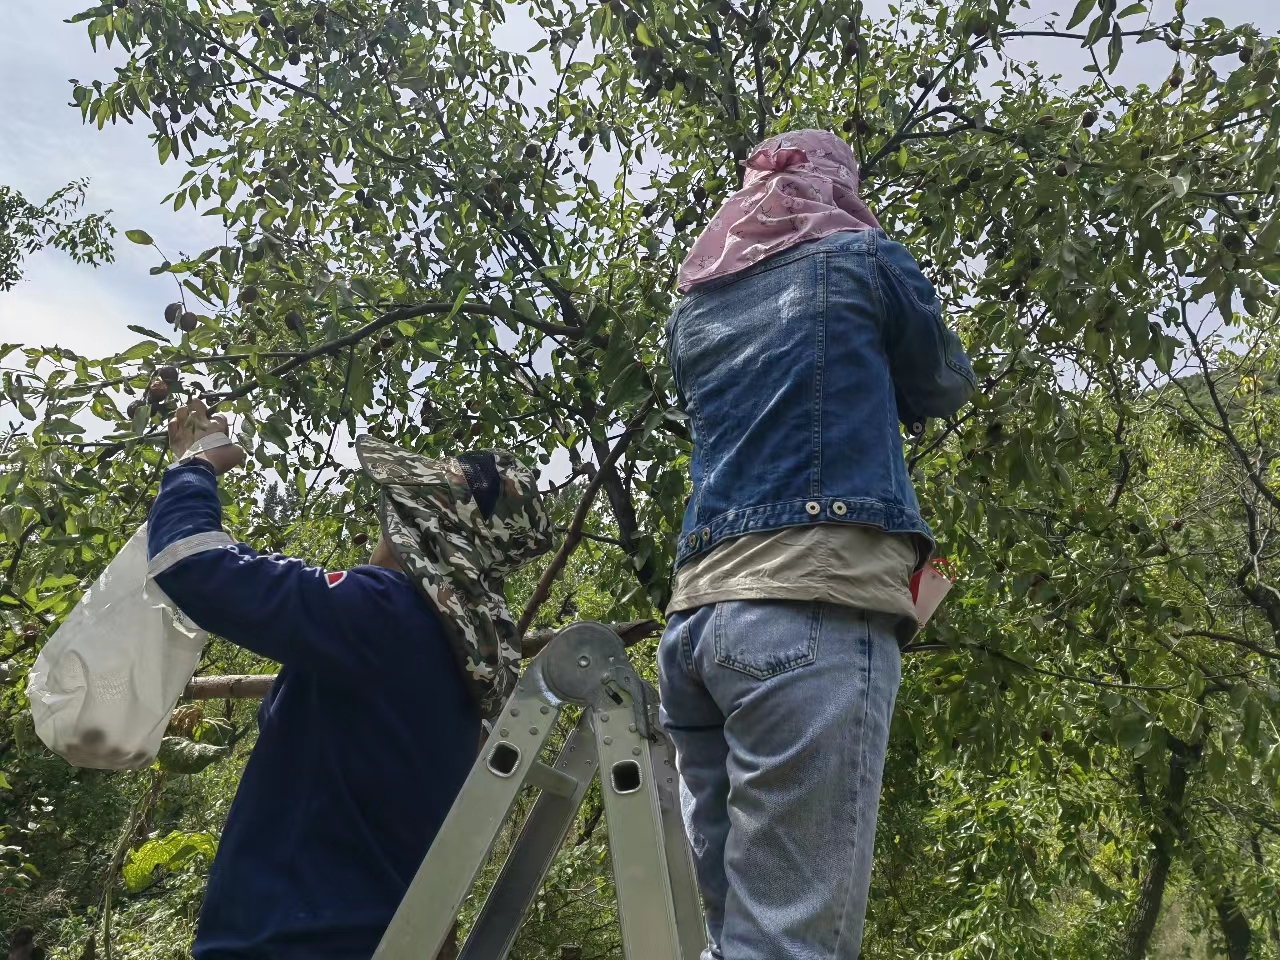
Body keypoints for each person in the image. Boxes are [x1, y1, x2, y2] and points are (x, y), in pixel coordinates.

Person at [657, 129, 976, 960]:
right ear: (840, 184)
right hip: (807, 612)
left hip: (695, 628)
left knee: (732, 936)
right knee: (788, 944)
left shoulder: (694, 303)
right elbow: (945, 384)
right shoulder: (867, 261)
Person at [148, 399, 552, 959]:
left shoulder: (382, 613)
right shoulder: (459, 662)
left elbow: (190, 564)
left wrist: (194, 465)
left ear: (414, 521)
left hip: (285, 945)